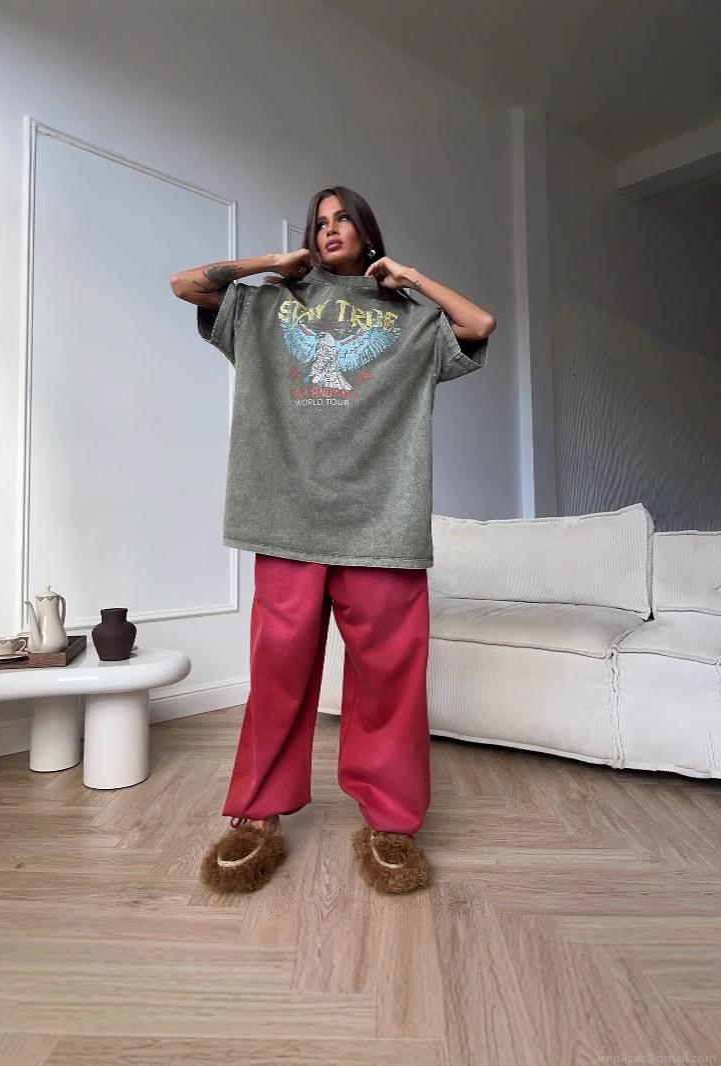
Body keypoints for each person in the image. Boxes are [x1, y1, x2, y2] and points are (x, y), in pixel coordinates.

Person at [170, 185, 495, 894]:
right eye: (318, 222)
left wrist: (408, 277)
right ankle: (257, 814)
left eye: (342, 217)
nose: (328, 229)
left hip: (381, 521)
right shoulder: (265, 306)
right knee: (277, 673)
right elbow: (185, 284)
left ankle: (390, 822)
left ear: (366, 229)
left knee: (388, 680)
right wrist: (272, 262)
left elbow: (479, 323)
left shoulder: (410, 318)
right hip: (284, 516)